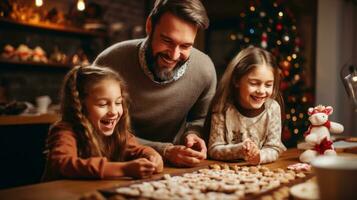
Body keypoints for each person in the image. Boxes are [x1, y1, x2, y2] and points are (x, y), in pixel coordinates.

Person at [94, 0, 217, 167]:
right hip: (109, 164)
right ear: (150, 26)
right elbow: (94, 127)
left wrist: (193, 134)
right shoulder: (110, 62)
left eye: (186, 46)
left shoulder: (205, 69)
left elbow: (199, 120)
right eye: (167, 41)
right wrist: (164, 150)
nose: (174, 55)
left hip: (169, 168)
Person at [42, 65, 163, 181]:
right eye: (103, 104)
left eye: (118, 102)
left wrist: (153, 157)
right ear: (80, 105)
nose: (114, 112)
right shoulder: (65, 131)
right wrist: (123, 169)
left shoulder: (119, 133)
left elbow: (138, 150)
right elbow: (62, 163)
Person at [207, 47, 286, 165]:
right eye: (254, 83)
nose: (261, 91)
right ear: (237, 80)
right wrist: (239, 150)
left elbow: (274, 148)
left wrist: (259, 156)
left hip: (262, 172)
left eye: (268, 85)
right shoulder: (222, 108)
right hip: (230, 174)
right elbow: (214, 149)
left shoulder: (273, 108)